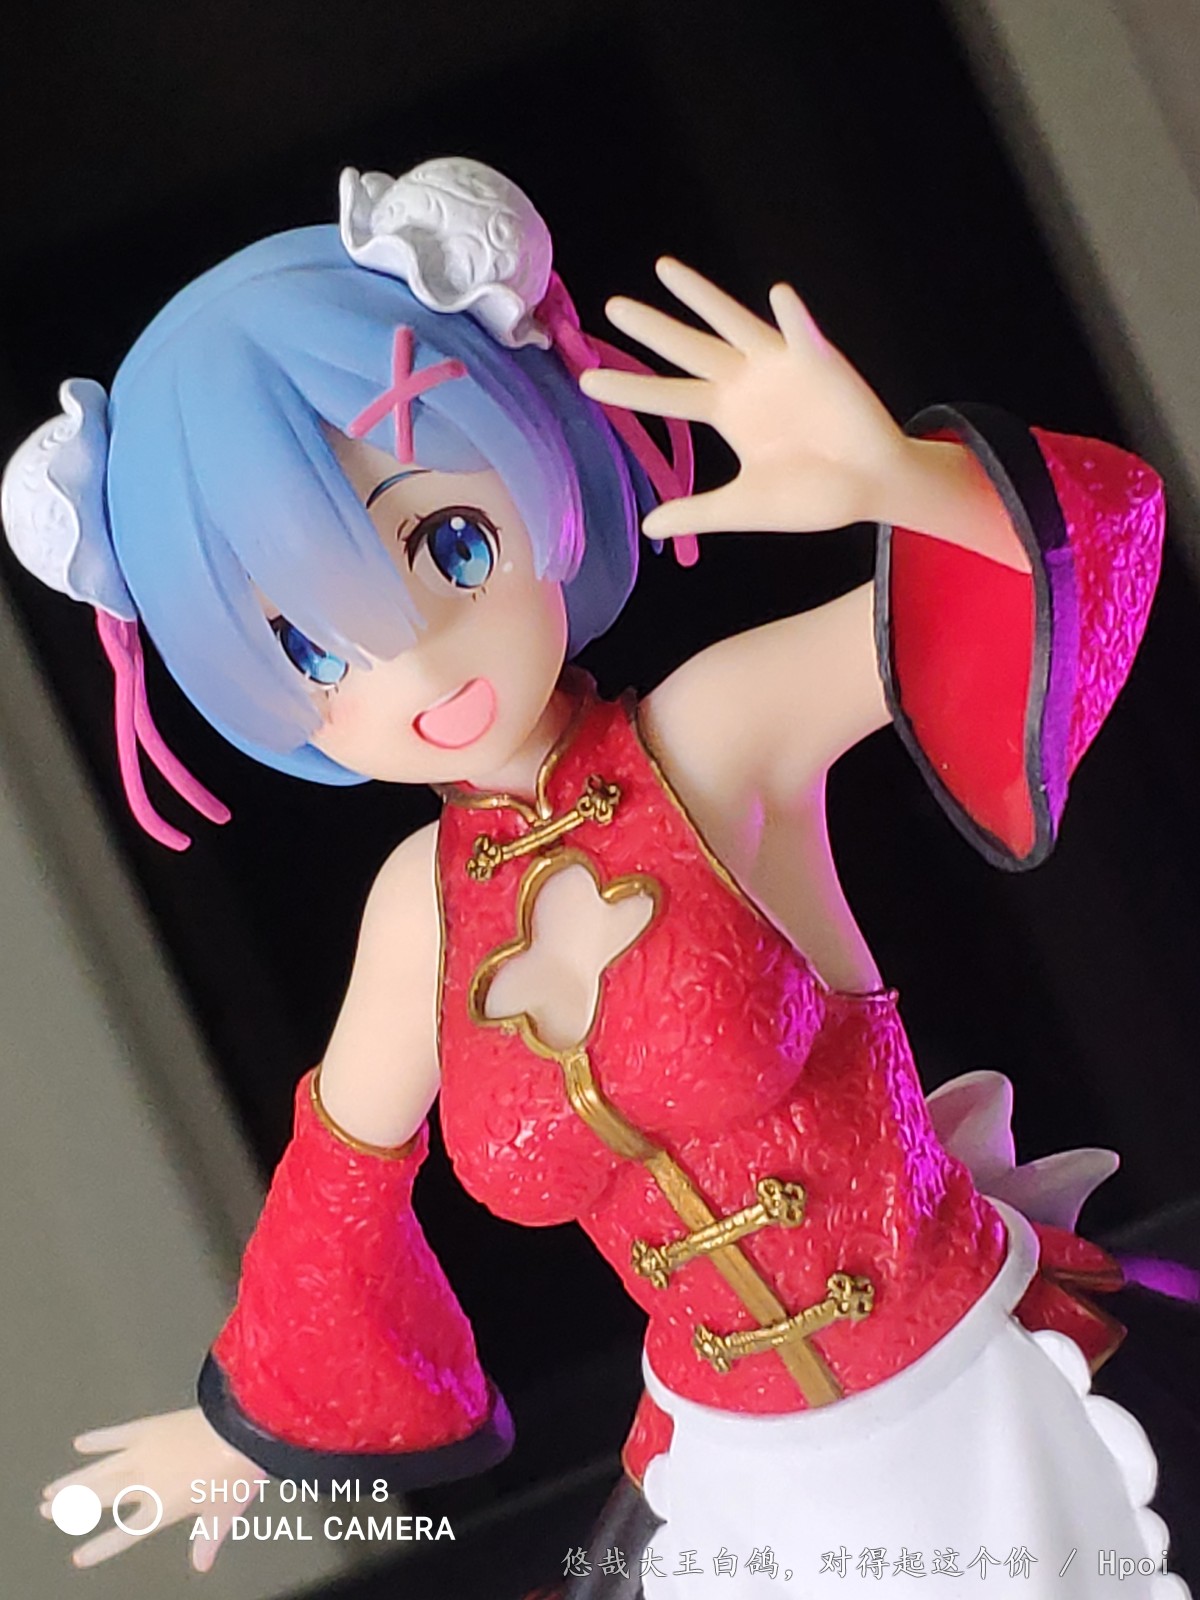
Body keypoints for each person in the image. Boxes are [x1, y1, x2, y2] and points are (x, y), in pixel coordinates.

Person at [3, 158, 1186, 1596]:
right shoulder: (420, 912)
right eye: (311, 647)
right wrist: (242, 1432)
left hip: (979, 1392)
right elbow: (337, 1192)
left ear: (534, 469)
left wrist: (901, 480)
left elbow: (1077, 551)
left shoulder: (715, 734)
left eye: (450, 544)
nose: (419, 661)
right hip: (736, 1484)